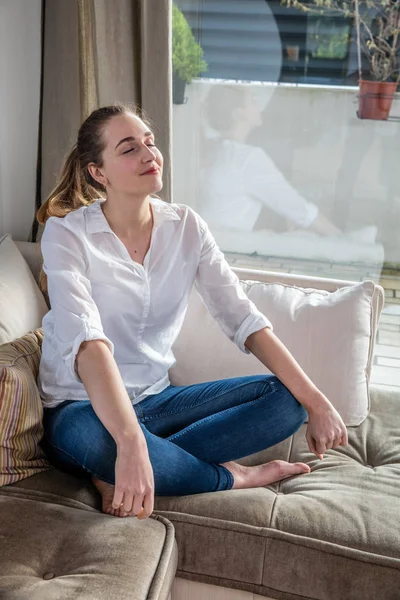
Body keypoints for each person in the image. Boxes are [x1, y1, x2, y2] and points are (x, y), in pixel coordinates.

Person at [37, 103, 348, 520]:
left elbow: (244, 318)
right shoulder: (66, 234)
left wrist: (317, 401)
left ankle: (133, 466)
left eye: (150, 143)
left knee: (284, 402)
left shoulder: (187, 226)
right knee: (101, 446)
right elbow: (88, 344)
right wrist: (129, 443)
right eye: (129, 149)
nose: (149, 155)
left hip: (156, 399)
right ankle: (230, 476)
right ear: (98, 172)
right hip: (80, 407)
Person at [199, 85, 377, 244]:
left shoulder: (218, 151)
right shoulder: (246, 159)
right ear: (239, 113)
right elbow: (298, 208)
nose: (259, 103)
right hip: (226, 250)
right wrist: (343, 240)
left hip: (215, 245)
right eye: (252, 100)